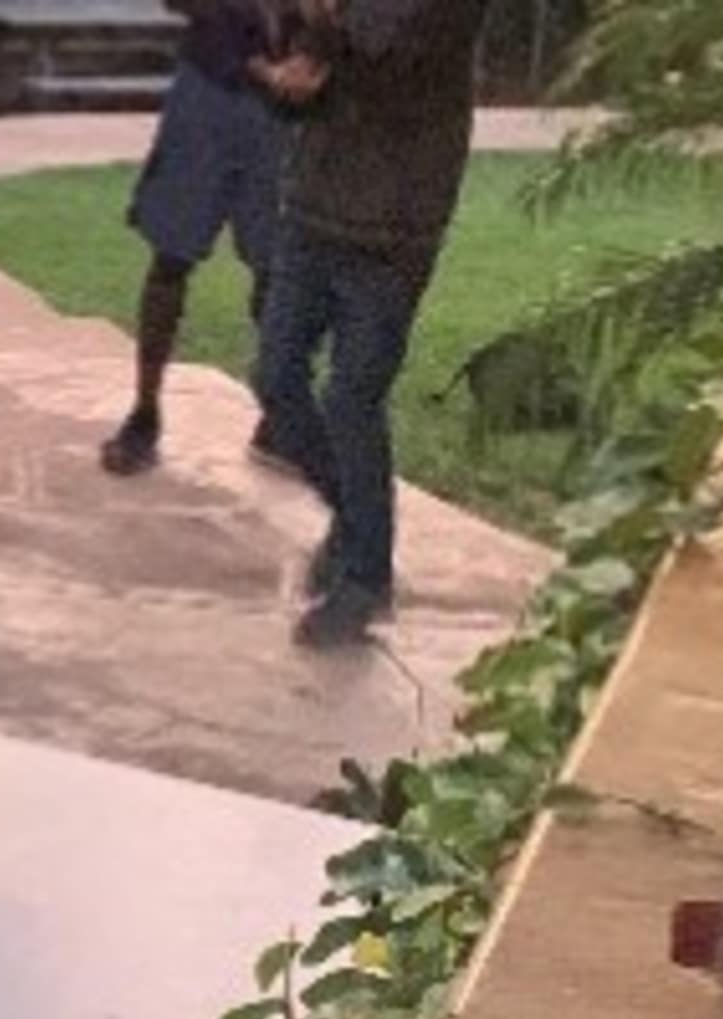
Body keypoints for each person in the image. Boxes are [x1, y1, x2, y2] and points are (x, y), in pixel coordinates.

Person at [249, 0, 492, 648]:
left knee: (353, 397)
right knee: (274, 377)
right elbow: (311, 72)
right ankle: (356, 522)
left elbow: (391, 56)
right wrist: (284, 77)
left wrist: (318, 18)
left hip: (394, 225)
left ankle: (363, 580)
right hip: (312, 206)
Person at [98, 0, 294, 477]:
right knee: (171, 257)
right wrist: (257, 63)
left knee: (276, 270)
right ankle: (145, 412)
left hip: (281, 110)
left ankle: (281, 415)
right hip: (210, 90)